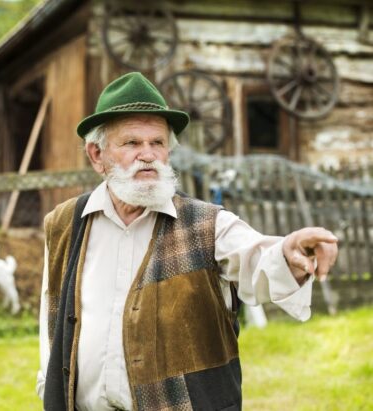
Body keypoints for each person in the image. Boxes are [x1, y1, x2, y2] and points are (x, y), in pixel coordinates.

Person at [36, 72, 338, 411]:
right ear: (97, 155)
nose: (147, 155)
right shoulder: (64, 223)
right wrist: (49, 384)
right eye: (132, 143)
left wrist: (287, 251)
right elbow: (52, 311)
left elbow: (257, 259)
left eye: (158, 143)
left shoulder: (208, 224)